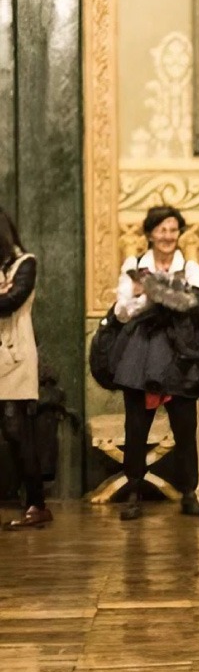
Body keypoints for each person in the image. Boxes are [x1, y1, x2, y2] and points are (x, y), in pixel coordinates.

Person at [110, 206, 199, 522]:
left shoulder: (190, 268)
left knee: (185, 428)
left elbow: (194, 306)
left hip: (180, 357)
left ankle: (189, 493)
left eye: (173, 230)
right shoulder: (133, 266)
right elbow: (121, 313)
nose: (167, 236)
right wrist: (136, 296)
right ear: (150, 233)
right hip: (142, 357)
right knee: (136, 428)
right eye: (161, 230)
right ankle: (133, 494)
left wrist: (154, 291)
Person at [0, 209, 45, 530]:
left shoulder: (25, 264)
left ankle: (36, 503)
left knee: (16, 430)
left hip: (14, 355)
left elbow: (12, 301)